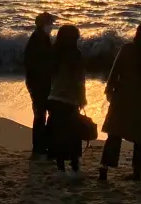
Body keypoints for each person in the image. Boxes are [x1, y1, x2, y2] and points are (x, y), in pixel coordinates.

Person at [99, 20, 141, 181]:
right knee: (140, 136)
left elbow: (115, 70)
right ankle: (137, 173)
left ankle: (104, 169)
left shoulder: (128, 48)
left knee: (114, 133)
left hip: (123, 95)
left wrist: (109, 89)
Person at [46, 24, 87, 178]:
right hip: (69, 100)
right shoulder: (76, 55)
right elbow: (79, 80)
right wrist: (82, 99)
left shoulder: (55, 53)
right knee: (73, 135)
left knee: (58, 134)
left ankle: (60, 168)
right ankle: (75, 167)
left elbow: (50, 77)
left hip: (54, 98)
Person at [24, 12, 56, 158]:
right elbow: (38, 62)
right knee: (40, 113)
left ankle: (41, 145)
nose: (52, 26)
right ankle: (39, 147)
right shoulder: (39, 39)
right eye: (50, 23)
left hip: (37, 80)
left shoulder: (40, 37)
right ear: (44, 24)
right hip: (38, 81)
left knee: (41, 112)